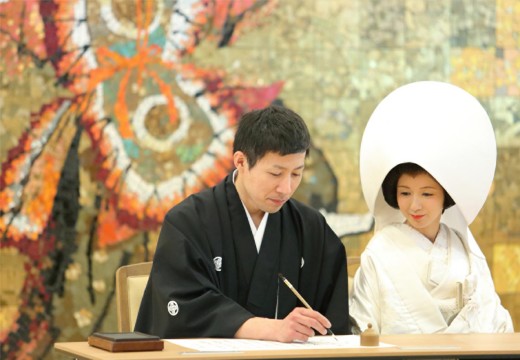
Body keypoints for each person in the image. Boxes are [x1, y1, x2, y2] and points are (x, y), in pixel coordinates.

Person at [135, 105, 351, 342]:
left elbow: (333, 327)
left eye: (296, 174)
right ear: (241, 161)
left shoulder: (311, 228)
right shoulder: (188, 221)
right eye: (276, 173)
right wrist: (271, 330)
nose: (286, 188)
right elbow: (182, 307)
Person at [350, 81, 514, 334]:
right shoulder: (379, 251)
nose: (414, 205)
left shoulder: (464, 249)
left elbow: (493, 318)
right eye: (405, 193)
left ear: (445, 196)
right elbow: (363, 324)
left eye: (427, 193)